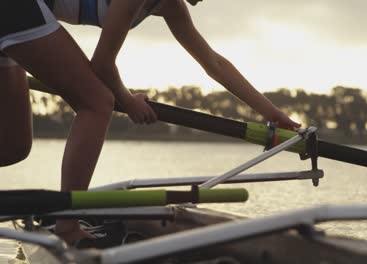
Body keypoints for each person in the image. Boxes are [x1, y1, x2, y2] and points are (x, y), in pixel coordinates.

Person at [0, 0, 300, 244]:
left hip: (21, 18)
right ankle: (66, 226)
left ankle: (65, 222)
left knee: (13, 146)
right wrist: (128, 101)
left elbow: (214, 63)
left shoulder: (171, 5)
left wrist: (272, 114)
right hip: (16, 9)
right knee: (97, 103)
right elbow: (102, 63)